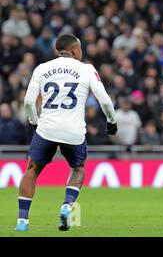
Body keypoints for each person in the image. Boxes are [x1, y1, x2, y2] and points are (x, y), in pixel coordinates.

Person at [16, 34, 117, 232]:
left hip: (46, 129)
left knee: (32, 171)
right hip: (74, 132)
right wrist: (111, 121)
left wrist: (34, 123)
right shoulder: (87, 69)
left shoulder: (42, 68)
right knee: (78, 168)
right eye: (80, 49)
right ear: (74, 50)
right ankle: (66, 206)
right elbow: (104, 100)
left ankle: (22, 222)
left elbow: (28, 102)